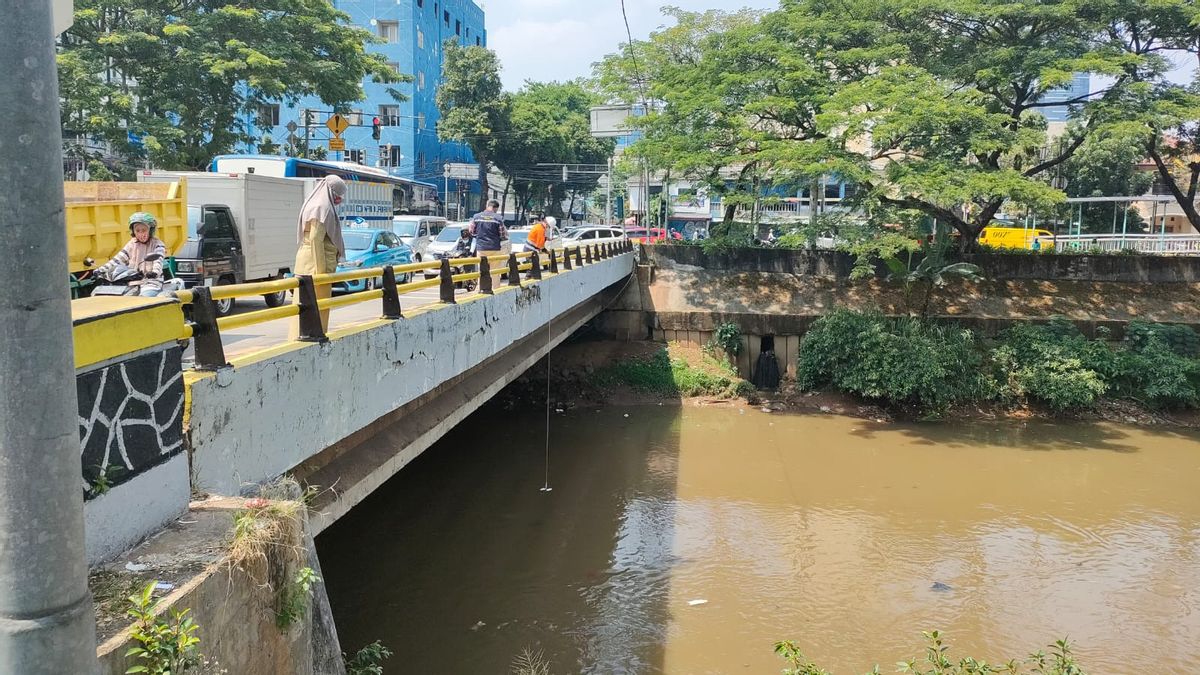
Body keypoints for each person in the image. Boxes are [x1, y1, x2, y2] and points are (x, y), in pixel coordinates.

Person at [290, 175, 347, 339]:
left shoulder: (314, 203)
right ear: (330, 192)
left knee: (302, 310)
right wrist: (321, 273)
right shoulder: (323, 208)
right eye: (338, 196)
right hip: (315, 268)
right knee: (317, 313)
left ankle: (297, 340)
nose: (340, 200)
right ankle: (313, 340)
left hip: (306, 266)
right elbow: (316, 239)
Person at [95, 212, 167, 297]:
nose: (141, 234)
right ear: (133, 231)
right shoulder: (132, 244)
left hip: (150, 283)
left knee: (143, 299)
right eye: (137, 230)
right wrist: (101, 270)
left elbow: (158, 260)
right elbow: (119, 259)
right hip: (132, 283)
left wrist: (154, 272)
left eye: (144, 230)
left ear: (150, 230)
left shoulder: (158, 244)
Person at [469, 199, 507, 285]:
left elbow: (472, 231)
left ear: (487, 206)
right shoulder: (498, 218)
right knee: (495, 271)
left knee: (481, 270)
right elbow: (502, 234)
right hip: (494, 248)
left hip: (481, 248)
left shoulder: (476, 217)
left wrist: (479, 235)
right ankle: (495, 288)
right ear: (495, 208)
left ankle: (481, 288)